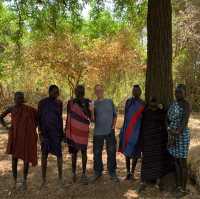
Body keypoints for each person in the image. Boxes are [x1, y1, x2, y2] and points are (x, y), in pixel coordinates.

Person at [0, 92, 38, 190]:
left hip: (25, 137)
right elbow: (1, 117)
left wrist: (33, 127)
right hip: (15, 137)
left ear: (23, 99)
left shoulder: (29, 109)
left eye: (21, 98)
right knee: (14, 159)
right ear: (14, 99)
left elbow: (38, 116)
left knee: (26, 159)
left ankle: (24, 181)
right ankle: (15, 181)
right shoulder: (11, 109)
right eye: (17, 98)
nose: (19, 100)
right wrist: (7, 127)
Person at [139, 98, 172, 192]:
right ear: (149, 104)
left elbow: (166, 118)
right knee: (146, 161)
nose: (153, 105)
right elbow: (142, 126)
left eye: (155, 103)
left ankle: (158, 182)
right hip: (148, 141)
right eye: (152, 103)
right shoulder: (146, 112)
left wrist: (161, 108)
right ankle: (144, 182)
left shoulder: (160, 112)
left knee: (158, 162)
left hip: (157, 141)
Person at [91, 84, 118, 182]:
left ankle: (112, 172)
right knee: (97, 153)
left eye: (100, 90)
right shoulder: (93, 103)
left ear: (103, 91)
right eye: (97, 90)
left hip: (109, 131)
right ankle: (98, 171)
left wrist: (113, 126)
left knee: (111, 152)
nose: (99, 92)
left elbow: (115, 115)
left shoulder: (109, 101)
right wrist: (91, 110)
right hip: (98, 132)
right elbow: (93, 120)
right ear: (95, 92)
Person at [167, 84, 191, 198]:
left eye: (180, 92)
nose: (177, 94)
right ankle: (178, 185)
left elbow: (184, 122)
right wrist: (169, 130)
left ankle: (183, 189)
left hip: (181, 135)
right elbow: (166, 118)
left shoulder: (186, 105)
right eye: (176, 92)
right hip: (172, 134)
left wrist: (175, 133)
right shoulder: (173, 104)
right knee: (176, 161)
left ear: (184, 93)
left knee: (183, 162)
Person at [65, 85, 92, 184]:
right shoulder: (70, 102)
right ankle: (73, 173)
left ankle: (84, 174)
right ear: (75, 92)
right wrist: (66, 131)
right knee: (74, 153)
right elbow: (68, 116)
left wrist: (84, 106)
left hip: (83, 132)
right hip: (73, 131)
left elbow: (90, 116)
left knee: (84, 152)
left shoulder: (88, 102)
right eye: (78, 90)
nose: (80, 92)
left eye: (81, 90)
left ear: (84, 92)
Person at [38, 85, 64, 186]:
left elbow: (60, 118)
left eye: (57, 92)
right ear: (49, 92)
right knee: (44, 155)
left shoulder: (59, 103)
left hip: (56, 133)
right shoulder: (42, 103)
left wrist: (62, 133)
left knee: (59, 155)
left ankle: (60, 178)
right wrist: (40, 133)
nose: (56, 94)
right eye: (54, 92)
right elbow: (39, 119)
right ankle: (43, 179)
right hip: (45, 133)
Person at [119, 85, 145, 180]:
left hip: (137, 130)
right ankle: (128, 172)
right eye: (134, 90)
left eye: (137, 90)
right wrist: (123, 129)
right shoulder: (128, 102)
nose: (136, 92)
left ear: (140, 92)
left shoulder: (143, 103)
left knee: (136, 152)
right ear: (132, 91)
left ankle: (133, 172)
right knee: (127, 152)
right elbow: (126, 116)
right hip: (128, 130)